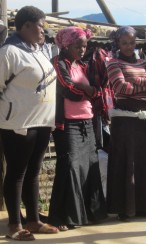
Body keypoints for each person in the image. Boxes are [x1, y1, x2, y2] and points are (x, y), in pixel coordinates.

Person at [0, 6, 58, 240]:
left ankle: (33, 220)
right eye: (40, 25)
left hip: (43, 121)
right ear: (25, 26)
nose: (43, 29)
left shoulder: (39, 51)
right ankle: (15, 225)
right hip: (18, 122)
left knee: (33, 172)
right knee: (16, 172)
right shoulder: (9, 52)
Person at [47, 26, 107, 231]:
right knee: (70, 166)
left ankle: (88, 213)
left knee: (89, 166)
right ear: (66, 45)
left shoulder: (81, 65)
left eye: (85, 46)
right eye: (78, 46)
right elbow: (69, 89)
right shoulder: (58, 63)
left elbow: (97, 91)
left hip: (87, 121)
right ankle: (60, 216)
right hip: (68, 124)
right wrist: (87, 89)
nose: (82, 50)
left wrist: (87, 89)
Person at [106, 26, 146, 221]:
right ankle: (126, 208)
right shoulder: (113, 63)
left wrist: (137, 81)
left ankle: (145, 206)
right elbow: (121, 87)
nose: (129, 46)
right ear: (118, 44)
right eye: (124, 43)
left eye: (132, 42)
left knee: (144, 161)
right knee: (126, 161)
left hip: (143, 120)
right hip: (125, 121)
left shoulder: (143, 62)